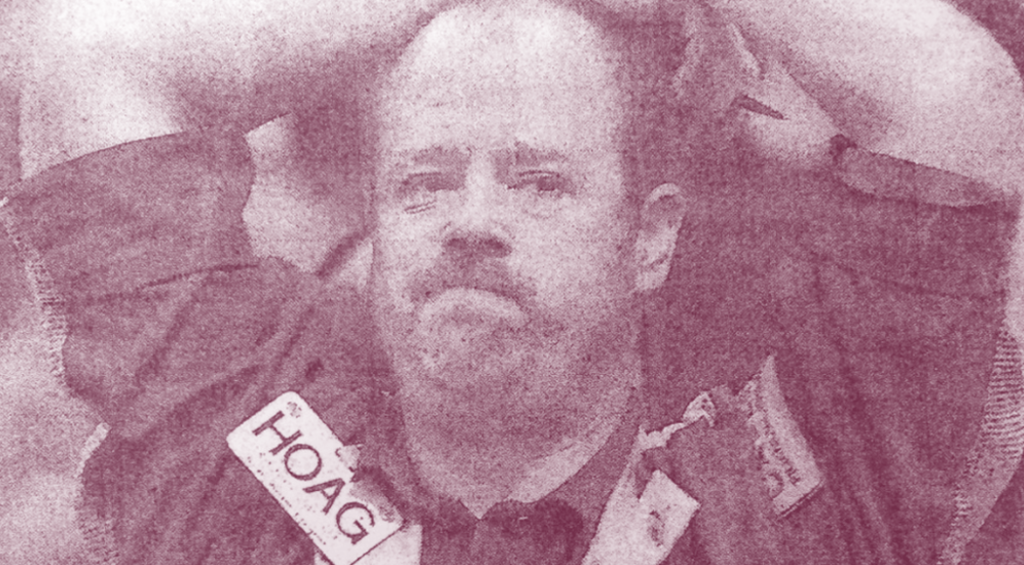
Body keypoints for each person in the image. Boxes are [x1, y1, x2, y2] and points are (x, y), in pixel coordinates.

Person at [3, 0, 1024, 563]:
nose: (472, 222)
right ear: (376, 220)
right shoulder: (247, 449)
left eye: (539, 182)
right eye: (424, 182)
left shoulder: (777, 505)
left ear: (648, 239)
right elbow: (92, 56)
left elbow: (957, 99)